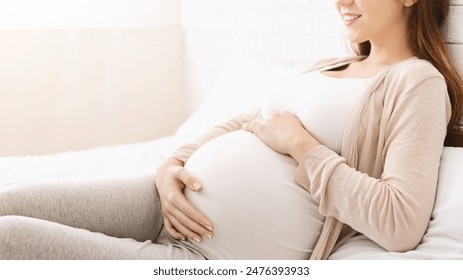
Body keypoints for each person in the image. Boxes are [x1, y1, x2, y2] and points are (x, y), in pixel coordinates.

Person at [0, 0, 462, 260]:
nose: (342, 2)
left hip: (209, 258)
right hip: (161, 201)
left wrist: (302, 146)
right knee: (9, 201)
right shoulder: (331, 66)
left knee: (10, 237)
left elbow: (400, 221)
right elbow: (245, 121)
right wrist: (172, 163)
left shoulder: (416, 81)